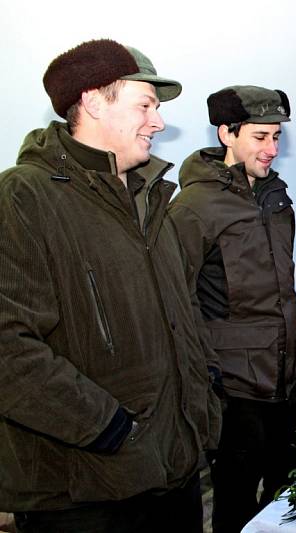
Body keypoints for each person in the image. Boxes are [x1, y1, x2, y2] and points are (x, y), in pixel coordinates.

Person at [0, 39, 221, 533]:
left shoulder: (151, 196)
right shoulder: (24, 196)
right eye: (145, 105)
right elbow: (8, 347)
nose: (159, 122)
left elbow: (183, 307)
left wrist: (203, 392)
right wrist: (108, 428)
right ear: (94, 101)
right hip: (86, 491)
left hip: (173, 468)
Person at [168, 86, 296, 533]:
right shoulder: (193, 207)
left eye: (277, 137)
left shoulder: (277, 195)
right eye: (260, 137)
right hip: (236, 388)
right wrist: (208, 371)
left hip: (290, 375)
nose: (272, 149)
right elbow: (179, 298)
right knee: (235, 501)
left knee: (291, 493)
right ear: (226, 133)